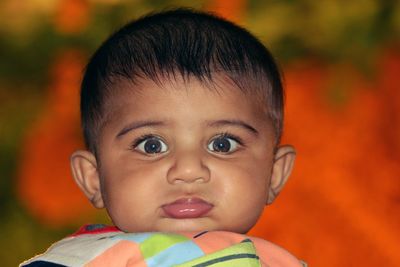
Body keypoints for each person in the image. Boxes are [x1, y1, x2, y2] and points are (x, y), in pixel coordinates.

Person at [21, 8, 305, 267]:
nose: (189, 170)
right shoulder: (82, 261)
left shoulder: (276, 262)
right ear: (93, 177)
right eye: (152, 145)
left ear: (275, 172)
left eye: (222, 144)